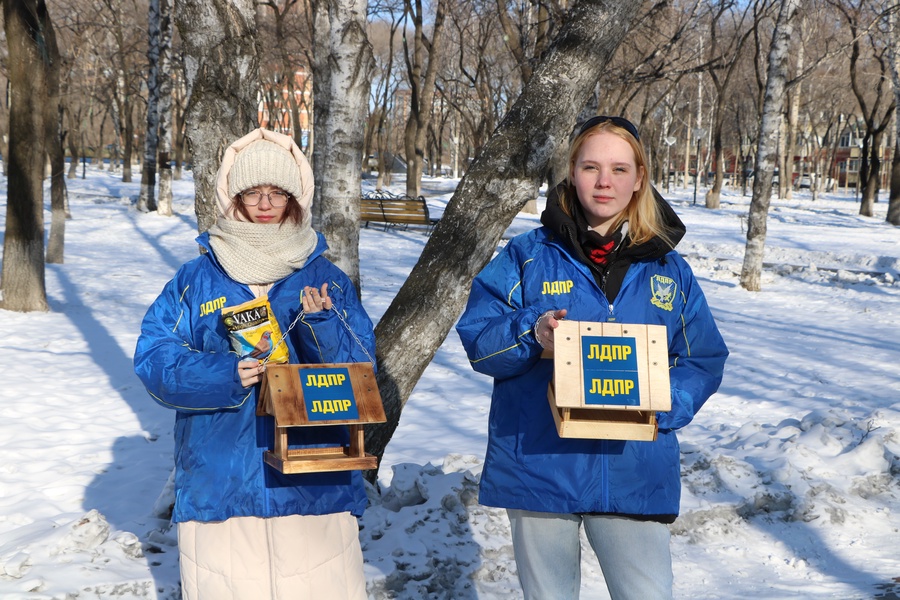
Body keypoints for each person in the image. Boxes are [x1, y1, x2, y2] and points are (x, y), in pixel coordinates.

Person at [455, 115, 729, 600]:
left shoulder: (669, 269)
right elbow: (480, 341)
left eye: (620, 169)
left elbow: (702, 358)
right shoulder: (526, 256)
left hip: (633, 469)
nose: (605, 181)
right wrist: (531, 334)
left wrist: (668, 400)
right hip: (541, 466)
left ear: (640, 178)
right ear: (571, 172)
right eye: (591, 167)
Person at [134, 128, 375, 599]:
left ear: (295, 196)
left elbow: (362, 373)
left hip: (313, 481)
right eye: (252, 192)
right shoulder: (197, 279)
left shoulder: (325, 277)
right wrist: (224, 374)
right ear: (232, 195)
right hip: (219, 484)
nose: (265, 204)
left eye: (277, 192)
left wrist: (321, 326)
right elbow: (154, 357)